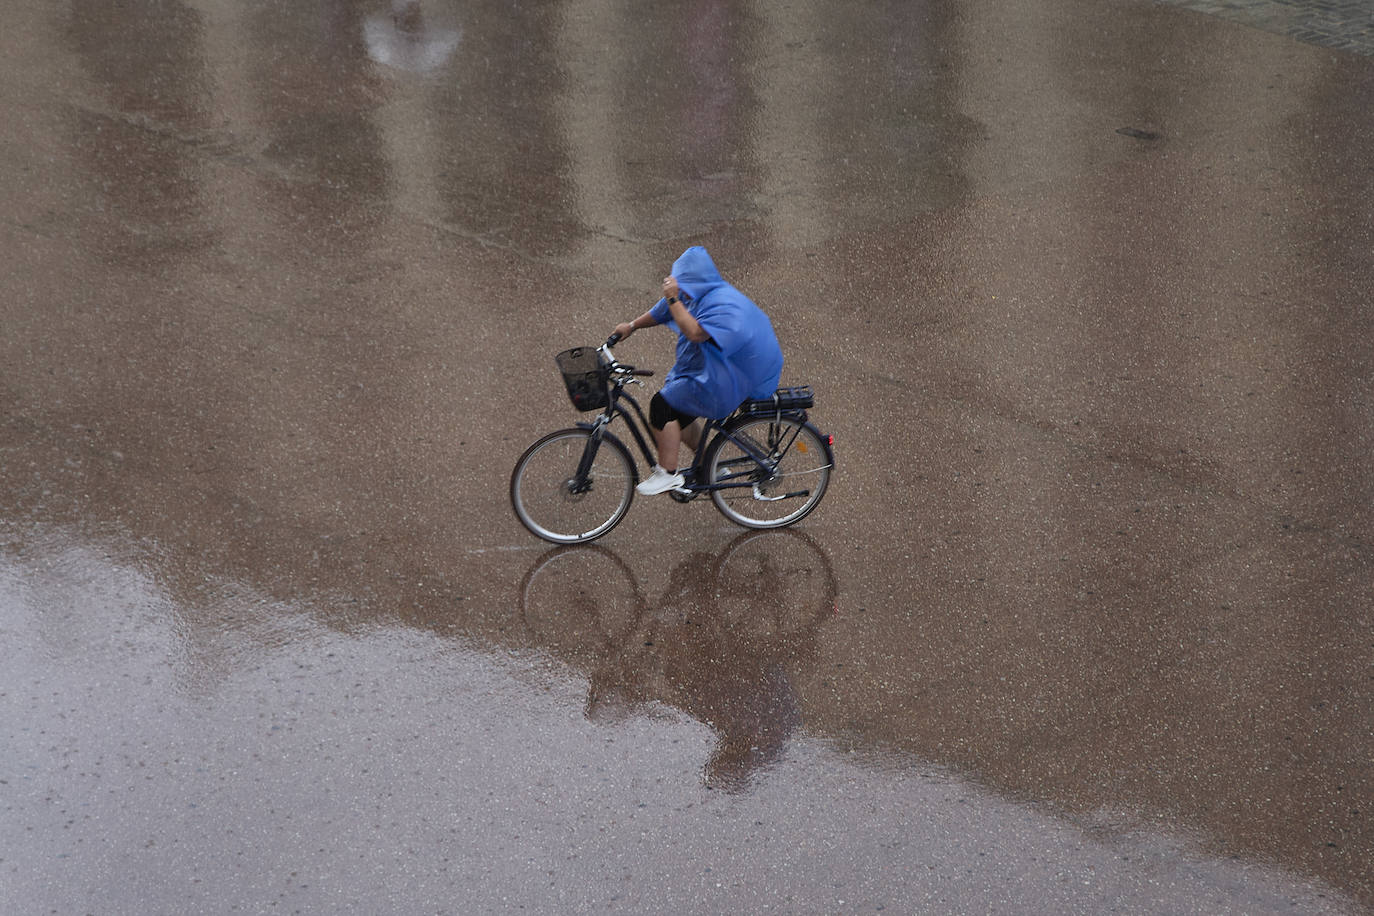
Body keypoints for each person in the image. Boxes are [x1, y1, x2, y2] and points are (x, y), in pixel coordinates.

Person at [614, 246, 784, 495]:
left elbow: (694, 332)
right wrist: (632, 326)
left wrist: (673, 298)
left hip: (729, 381)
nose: (679, 290)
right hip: (719, 370)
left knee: (661, 405)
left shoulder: (724, 305)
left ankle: (668, 473)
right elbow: (664, 310)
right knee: (678, 414)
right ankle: (709, 464)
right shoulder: (697, 292)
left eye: (683, 284)